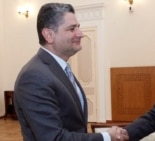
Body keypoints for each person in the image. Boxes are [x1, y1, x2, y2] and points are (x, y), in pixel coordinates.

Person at [14, 3, 119, 141]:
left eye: (78, 27)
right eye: (71, 29)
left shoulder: (59, 68)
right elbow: (53, 138)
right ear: (49, 35)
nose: (80, 34)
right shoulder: (34, 76)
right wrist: (106, 137)